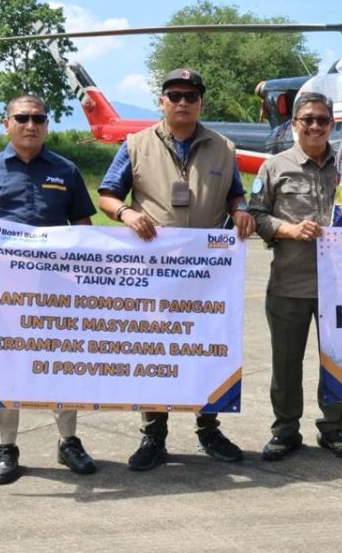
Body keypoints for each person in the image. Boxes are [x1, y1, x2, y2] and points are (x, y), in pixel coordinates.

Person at [97, 68, 256, 471]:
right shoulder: (135, 144)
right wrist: (127, 213)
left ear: (201, 102)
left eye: (191, 95)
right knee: (156, 350)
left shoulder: (223, 147)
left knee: (208, 348)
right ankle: (154, 435)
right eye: (175, 95)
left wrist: (241, 211)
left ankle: (208, 429)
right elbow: (107, 194)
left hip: (208, 272)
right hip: (153, 271)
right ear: (162, 101)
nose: (183, 102)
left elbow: (236, 194)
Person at [0, 94, 98, 485]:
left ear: (47, 125)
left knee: (60, 363)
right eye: (22, 118)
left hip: (56, 289)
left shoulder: (66, 170)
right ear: (7, 124)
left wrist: (91, 260)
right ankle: (6, 447)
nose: (30, 125)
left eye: (38, 118)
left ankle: (68, 441)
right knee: (5, 364)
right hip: (3, 292)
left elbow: (83, 227)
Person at [248, 91, 342, 461]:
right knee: (285, 364)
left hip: (340, 286)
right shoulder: (274, 167)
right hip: (290, 284)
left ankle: (333, 429)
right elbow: (256, 215)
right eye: (307, 119)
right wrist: (289, 230)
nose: (314, 126)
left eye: (322, 120)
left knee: (337, 363)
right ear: (295, 124)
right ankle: (285, 431)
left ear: (332, 125)